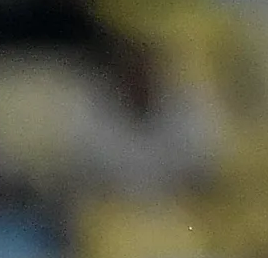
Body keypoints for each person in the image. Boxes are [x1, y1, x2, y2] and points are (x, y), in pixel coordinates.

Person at [65, 38, 220, 199]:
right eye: (130, 75)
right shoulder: (94, 112)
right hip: (117, 210)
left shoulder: (186, 110)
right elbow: (87, 178)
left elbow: (202, 176)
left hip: (178, 208)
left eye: (142, 74)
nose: (137, 82)